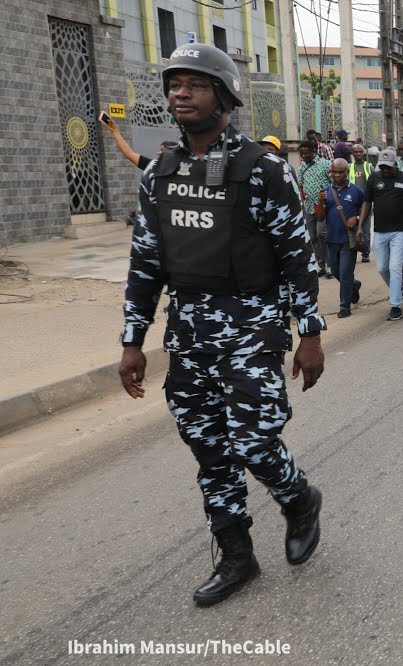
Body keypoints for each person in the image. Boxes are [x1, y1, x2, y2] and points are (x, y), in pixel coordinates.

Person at [117, 43, 325, 607]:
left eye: (196, 84)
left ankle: (298, 498)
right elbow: (146, 263)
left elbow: (297, 256)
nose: (181, 93)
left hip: (252, 329)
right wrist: (132, 342)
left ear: (224, 96)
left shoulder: (263, 170)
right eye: (175, 84)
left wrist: (310, 333)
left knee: (255, 442)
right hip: (188, 334)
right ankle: (237, 555)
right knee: (209, 448)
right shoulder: (160, 172)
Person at [357, 148, 403, 321]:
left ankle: (395, 306)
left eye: (388, 167)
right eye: (382, 167)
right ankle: (397, 290)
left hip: (400, 231)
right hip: (380, 231)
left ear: (395, 165)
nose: (385, 170)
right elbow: (367, 203)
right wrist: (360, 226)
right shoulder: (373, 178)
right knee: (382, 268)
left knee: (395, 267)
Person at [318, 158, 363, 318]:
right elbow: (320, 217)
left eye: (340, 172)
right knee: (336, 271)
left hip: (348, 240)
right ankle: (354, 285)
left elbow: (366, 211)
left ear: (346, 172)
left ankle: (345, 307)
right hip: (331, 239)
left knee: (344, 274)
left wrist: (357, 217)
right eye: (334, 172)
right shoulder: (326, 191)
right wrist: (320, 201)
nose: (337, 175)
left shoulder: (356, 191)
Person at [297, 140, 332, 278]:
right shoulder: (301, 168)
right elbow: (300, 185)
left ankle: (330, 264)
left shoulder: (325, 164)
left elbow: (334, 182)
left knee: (321, 234)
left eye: (306, 153)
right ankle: (320, 264)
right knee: (312, 237)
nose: (304, 156)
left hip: (324, 206)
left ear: (313, 151)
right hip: (309, 206)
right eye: (301, 154)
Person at [349, 144, 375, 263]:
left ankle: (366, 253)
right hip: (352, 203)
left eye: (360, 152)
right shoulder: (349, 167)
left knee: (365, 228)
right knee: (352, 229)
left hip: (366, 203)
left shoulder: (369, 166)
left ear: (363, 153)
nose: (358, 154)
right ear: (352, 153)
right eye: (356, 152)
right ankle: (353, 249)